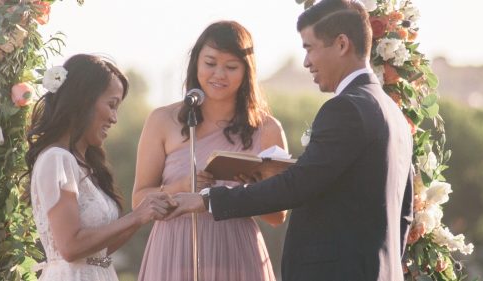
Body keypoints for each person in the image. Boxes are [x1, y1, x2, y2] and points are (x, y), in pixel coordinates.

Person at [167, 1, 415, 280]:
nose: (306, 62)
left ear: (342, 44)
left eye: (309, 48)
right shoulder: (394, 113)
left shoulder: (346, 108)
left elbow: (298, 185)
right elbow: (405, 214)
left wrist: (208, 200)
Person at [133, 21, 288, 281]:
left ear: (246, 72)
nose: (219, 74)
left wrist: (248, 191)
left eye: (231, 67)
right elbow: (139, 201)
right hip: (174, 251)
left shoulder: (267, 128)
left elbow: (278, 216)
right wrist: (181, 185)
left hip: (237, 252)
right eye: (210, 63)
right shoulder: (161, 120)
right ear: (196, 63)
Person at [25, 54, 176, 281]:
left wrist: (145, 214)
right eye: (111, 105)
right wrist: (135, 218)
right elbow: (70, 246)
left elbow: (99, 250)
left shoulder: (85, 165)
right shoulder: (57, 159)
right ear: (84, 100)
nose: (114, 118)